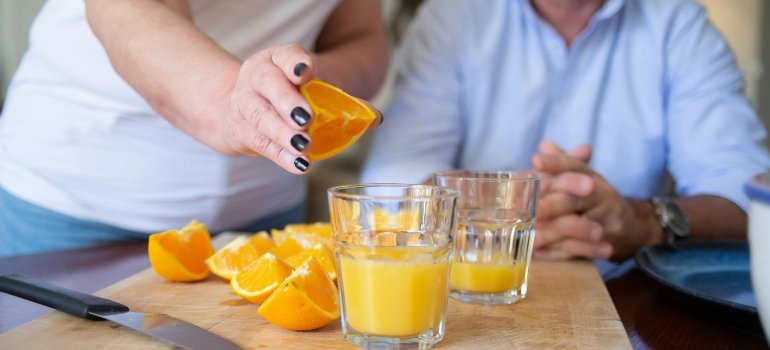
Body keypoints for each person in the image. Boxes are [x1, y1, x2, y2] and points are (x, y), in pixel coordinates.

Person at [361, 0, 770, 262]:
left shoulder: (679, 23)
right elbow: (393, 177)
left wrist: (646, 221)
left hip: (631, 296)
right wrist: (506, 202)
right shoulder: (451, 15)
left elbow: (747, 194)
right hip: (467, 293)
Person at [0, 0, 388, 256]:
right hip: (71, 211)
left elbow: (358, 35)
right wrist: (232, 101)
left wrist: (301, 87)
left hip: (263, 217)